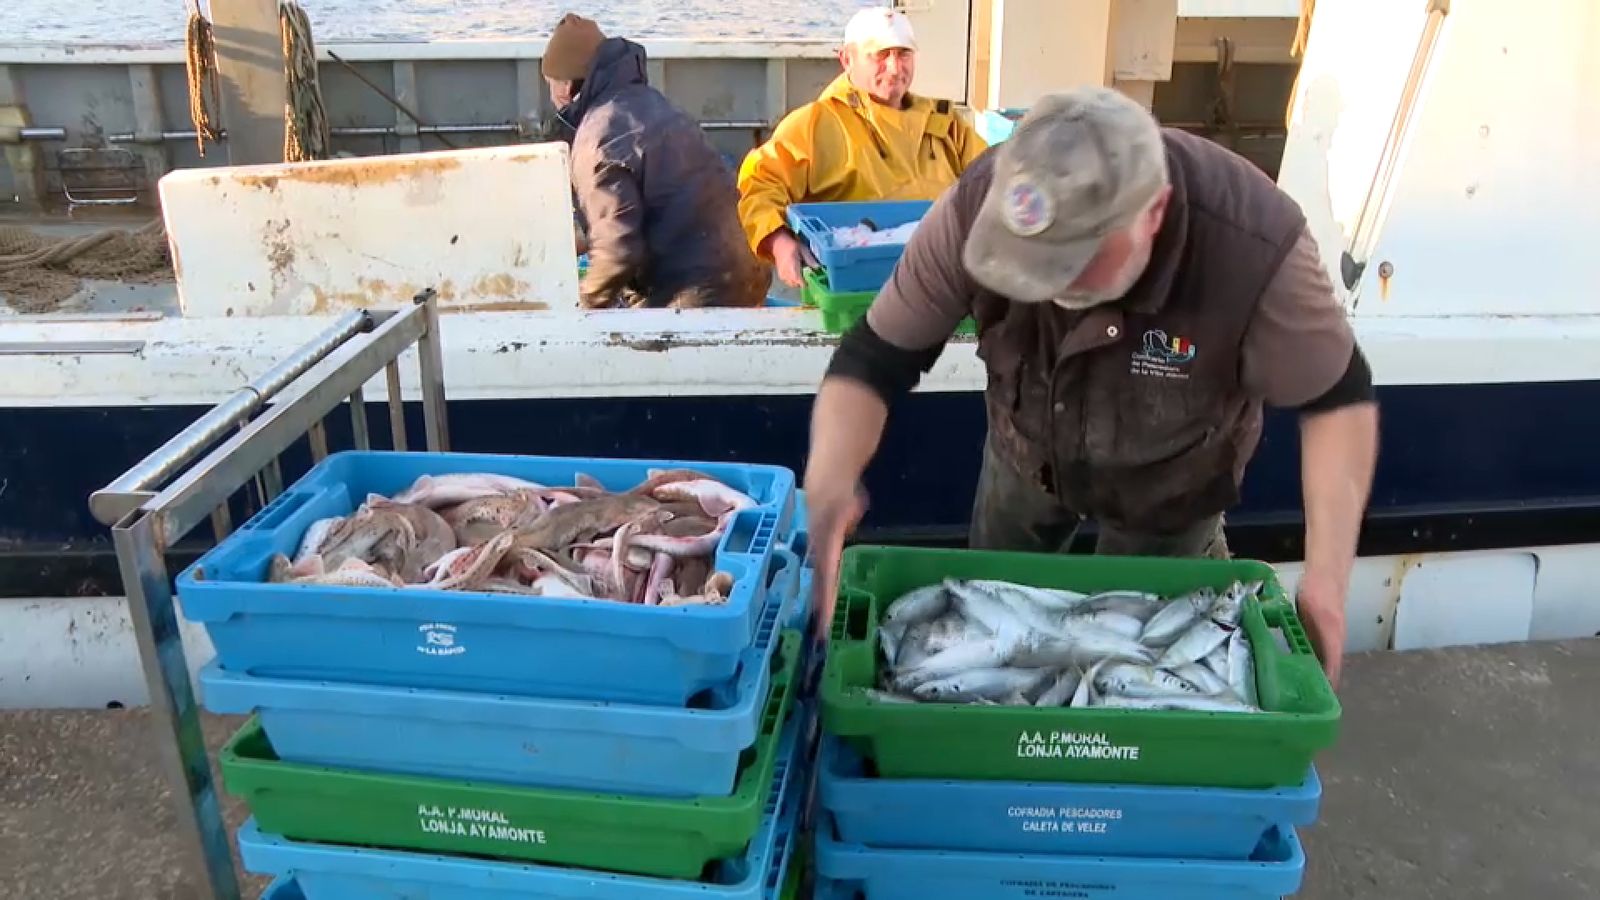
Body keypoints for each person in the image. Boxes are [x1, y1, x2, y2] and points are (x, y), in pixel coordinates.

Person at [803, 87, 1379, 689]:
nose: (1048, 283)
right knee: (990, 615)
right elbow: (873, 359)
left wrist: (1326, 588)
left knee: (1133, 663)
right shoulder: (975, 205)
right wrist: (829, 486)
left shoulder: (1257, 246)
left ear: (1153, 211)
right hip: (1025, 449)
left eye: (1074, 262)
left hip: (1175, 479)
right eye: (1028, 262)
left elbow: (1337, 399)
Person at [736, 7, 988, 289]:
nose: (894, 68)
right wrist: (780, 242)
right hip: (858, 281)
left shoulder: (946, 122)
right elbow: (760, 184)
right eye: (879, 54)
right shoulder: (814, 123)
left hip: (945, 275)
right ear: (846, 59)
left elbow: (994, 177)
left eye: (903, 53)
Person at [542, 13, 768, 309]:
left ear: (565, 87)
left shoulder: (596, 138)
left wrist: (583, 304)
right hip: (751, 271)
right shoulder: (649, 102)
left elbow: (619, 252)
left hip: (700, 294)